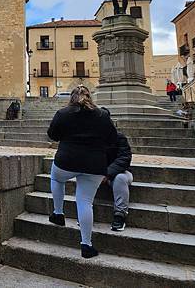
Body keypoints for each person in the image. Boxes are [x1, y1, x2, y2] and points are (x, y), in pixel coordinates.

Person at [47, 85, 117, 259]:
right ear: (89, 96)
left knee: (56, 179)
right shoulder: (102, 115)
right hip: (94, 165)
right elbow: (113, 139)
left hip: (67, 160)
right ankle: (86, 245)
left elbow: (52, 135)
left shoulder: (63, 114)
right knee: (85, 202)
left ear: (71, 97)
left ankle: (58, 213)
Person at [105, 132, 133, 232]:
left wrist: (107, 174)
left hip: (121, 173)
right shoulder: (92, 138)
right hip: (98, 174)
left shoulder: (119, 137)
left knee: (120, 179)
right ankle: (84, 213)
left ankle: (120, 215)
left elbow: (124, 158)